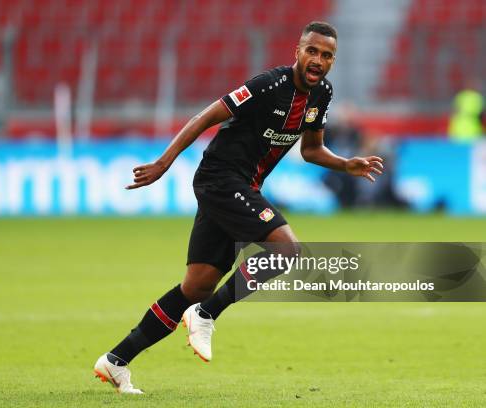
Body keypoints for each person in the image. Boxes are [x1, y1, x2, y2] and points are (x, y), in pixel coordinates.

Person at [94, 21, 384, 394]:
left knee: (196, 284)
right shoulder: (269, 85)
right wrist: (164, 162)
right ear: (297, 50)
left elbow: (311, 149)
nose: (318, 60)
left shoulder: (322, 94)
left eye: (326, 55)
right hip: (220, 177)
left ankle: (116, 360)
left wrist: (345, 163)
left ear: (332, 61)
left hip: (241, 186)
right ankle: (206, 314)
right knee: (286, 249)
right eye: (312, 50)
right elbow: (206, 116)